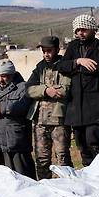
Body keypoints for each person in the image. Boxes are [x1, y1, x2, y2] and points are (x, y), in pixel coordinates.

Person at [58, 14, 99, 167]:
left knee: (93, 140)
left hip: (95, 102)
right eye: (78, 30)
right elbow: (62, 66)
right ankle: (89, 171)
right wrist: (78, 61)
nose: (80, 33)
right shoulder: (73, 46)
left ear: (92, 29)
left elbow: (98, 67)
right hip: (76, 103)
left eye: (84, 29)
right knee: (81, 142)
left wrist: (75, 68)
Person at [25, 36, 72, 180]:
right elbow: (28, 89)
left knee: (62, 158)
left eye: (49, 51)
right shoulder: (40, 67)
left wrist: (46, 90)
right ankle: (44, 187)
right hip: (40, 120)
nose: (46, 54)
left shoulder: (65, 65)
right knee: (42, 159)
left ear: (57, 49)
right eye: (44, 51)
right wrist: (45, 90)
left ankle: (66, 187)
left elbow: (65, 89)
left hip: (59, 121)